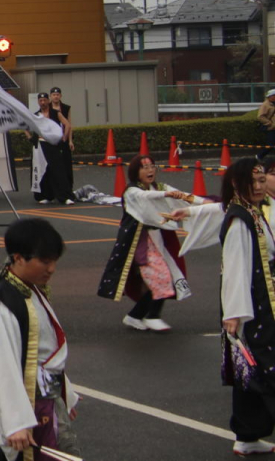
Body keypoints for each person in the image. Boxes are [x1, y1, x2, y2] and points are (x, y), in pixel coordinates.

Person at [0, 218, 80, 461]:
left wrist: (65, 393)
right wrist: (15, 422)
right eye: (45, 261)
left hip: (44, 399)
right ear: (18, 258)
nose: (52, 269)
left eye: (54, 261)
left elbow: (45, 352)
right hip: (29, 406)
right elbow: (2, 365)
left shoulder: (28, 290)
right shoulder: (2, 305)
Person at [97, 154, 202, 332]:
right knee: (160, 276)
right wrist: (166, 194)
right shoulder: (132, 191)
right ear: (135, 172)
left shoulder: (159, 186)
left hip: (159, 240)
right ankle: (151, 316)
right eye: (145, 167)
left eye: (152, 166)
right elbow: (146, 197)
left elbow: (183, 197)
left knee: (163, 277)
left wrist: (207, 204)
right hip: (140, 243)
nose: (150, 170)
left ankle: (136, 315)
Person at [217, 157, 275, 456]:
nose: (258, 185)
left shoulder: (253, 213)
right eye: (252, 181)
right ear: (237, 184)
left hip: (262, 303)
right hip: (253, 309)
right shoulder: (240, 219)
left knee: (248, 374)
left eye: (261, 179)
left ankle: (248, 434)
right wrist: (235, 314)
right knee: (263, 367)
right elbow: (236, 267)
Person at [30, 93, 72, 204]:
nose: (43, 103)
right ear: (38, 102)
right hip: (40, 145)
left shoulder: (55, 113)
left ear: (48, 101)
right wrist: (30, 137)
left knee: (59, 171)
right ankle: (44, 196)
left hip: (53, 144)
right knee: (42, 171)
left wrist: (64, 137)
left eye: (44, 100)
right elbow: (25, 126)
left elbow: (67, 124)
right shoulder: (35, 115)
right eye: (41, 101)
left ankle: (64, 196)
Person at [49, 87, 75, 187]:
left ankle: (68, 186)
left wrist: (70, 141)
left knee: (66, 163)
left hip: (64, 138)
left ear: (60, 96)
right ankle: (54, 187)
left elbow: (69, 124)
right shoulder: (47, 108)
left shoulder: (65, 108)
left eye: (57, 95)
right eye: (54, 95)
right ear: (51, 96)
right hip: (52, 139)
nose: (56, 96)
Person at [260, 90, 275, 162]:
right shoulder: (265, 105)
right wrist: (269, 123)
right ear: (270, 96)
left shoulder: (273, 104)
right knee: (270, 145)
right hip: (271, 128)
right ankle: (259, 156)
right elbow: (260, 116)